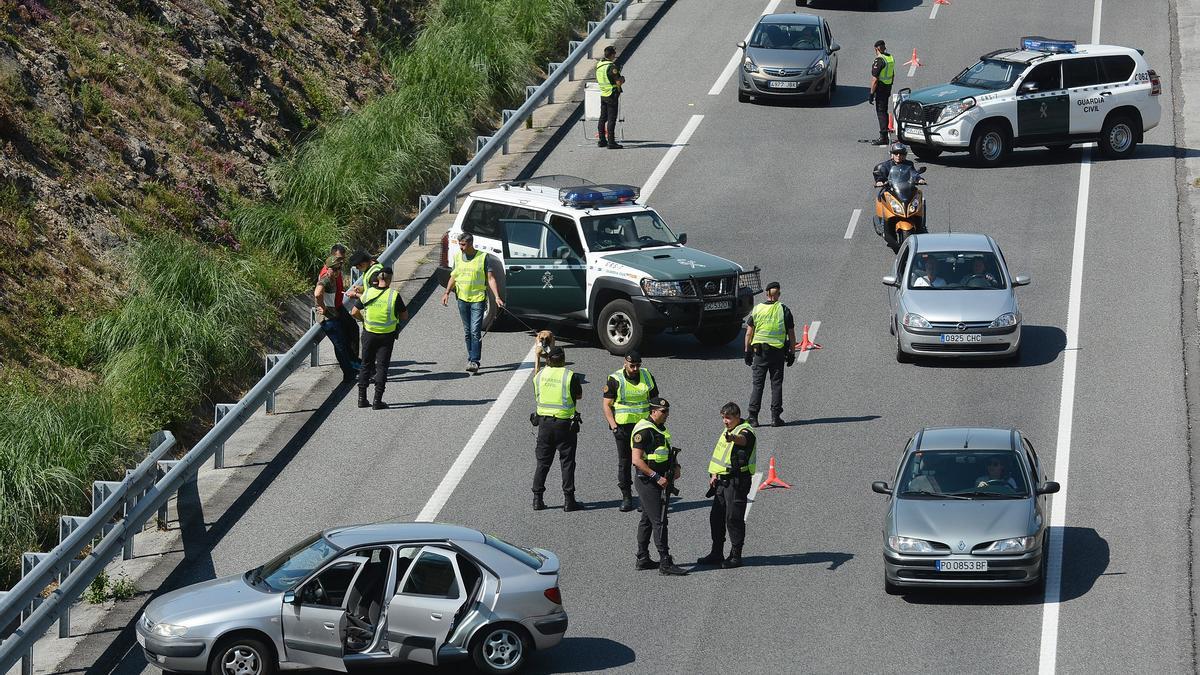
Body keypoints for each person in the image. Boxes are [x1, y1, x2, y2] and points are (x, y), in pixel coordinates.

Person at [630, 398, 688, 576]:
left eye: (667, 411)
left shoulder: (659, 428)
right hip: (648, 481)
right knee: (660, 521)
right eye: (663, 411)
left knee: (647, 519)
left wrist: (676, 465)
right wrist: (656, 477)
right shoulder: (644, 431)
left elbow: (665, 450)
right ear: (653, 411)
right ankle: (665, 561)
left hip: (658, 478)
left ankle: (642, 558)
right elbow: (636, 460)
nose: (667, 414)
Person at [698, 403, 756, 569]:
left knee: (733, 518)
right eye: (723, 417)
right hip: (721, 482)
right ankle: (717, 552)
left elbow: (743, 441)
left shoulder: (745, 430)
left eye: (728, 418)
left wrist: (733, 438)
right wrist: (714, 474)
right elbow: (720, 455)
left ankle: (736, 555)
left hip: (737, 481)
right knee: (716, 518)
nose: (725, 421)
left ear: (737, 416)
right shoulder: (727, 429)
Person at [602, 351, 659, 512]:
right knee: (625, 462)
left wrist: (655, 424)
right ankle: (626, 497)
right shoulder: (615, 379)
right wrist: (613, 426)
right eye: (632, 365)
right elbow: (606, 405)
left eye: (637, 365)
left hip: (643, 427)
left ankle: (643, 498)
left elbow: (655, 401)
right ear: (625, 363)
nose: (635, 369)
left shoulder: (647, 375)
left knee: (644, 462)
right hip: (623, 428)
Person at [532, 346, 584, 512]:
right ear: (563, 359)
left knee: (543, 463)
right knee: (567, 462)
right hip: (564, 424)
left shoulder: (539, 376)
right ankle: (569, 501)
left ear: (548, 360)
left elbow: (537, 395)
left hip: (544, 424)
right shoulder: (569, 376)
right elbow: (578, 395)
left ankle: (537, 500)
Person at [442, 233, 504, 373]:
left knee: (475, 331)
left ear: (471, 244)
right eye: (459, 244)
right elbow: (454, 276)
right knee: (467, 332)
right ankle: (471, 357)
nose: (461, 247)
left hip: (478, 299)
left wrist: (497, 297)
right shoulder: (458, 256)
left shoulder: (483, 257)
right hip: (462, 299)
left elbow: (491, 279)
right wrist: (446, 292)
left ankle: (475, 361)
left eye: (463, 245)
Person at [349, 267, 408, 409]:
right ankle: (377, 401)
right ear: (389, 279)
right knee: (382, 367)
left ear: (378, 279)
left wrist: (364, 320)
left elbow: (354, 311)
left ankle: (361, 399)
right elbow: (404, 315)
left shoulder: (368, 292)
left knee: (365, 365)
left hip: (369, 334)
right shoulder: (393, 295)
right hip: (386, 336)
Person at [744, 281, 797, 427]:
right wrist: (792, 353)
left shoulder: (757, 309)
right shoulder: (784, 310)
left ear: (767, 294)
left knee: (757, 385)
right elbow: (791, 335)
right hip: (777, 353)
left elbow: (749, 333)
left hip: (759, 353)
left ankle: (753, 417)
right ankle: (775, 417)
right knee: (776, 385)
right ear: (778, 294)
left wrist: (747, 351)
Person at [313, 244, 360, 382]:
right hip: (330, 314)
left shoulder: (336, 270)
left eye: (342, 261)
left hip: (337, 307)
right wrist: (322, 307)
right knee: (340, 344)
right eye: (339, 260)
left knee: (352, 330)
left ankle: (353, 362)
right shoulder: (326, 275)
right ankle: (350, 370)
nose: (340, 265)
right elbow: (318, 293)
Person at [596, 45, 625, 150]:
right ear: (612, 55)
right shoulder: (612, 67)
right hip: (611, 94)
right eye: (614, 54)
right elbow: (618, 82)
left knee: (602, 118)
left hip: (603, 94)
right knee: (611, 119)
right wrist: (622, 79)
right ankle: (611, 142)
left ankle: (602, 140)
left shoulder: (599, 65)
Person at [868, 39, 895, 146]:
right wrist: (890, 85)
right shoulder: (890, 58)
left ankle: (883, 136)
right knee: (884, 110)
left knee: (881, 112)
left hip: (881, 88)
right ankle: (885, 134)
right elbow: (893, 74)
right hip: (888, 86)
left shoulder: (879, 60)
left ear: (877, 48)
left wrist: (871, 94)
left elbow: (875, 79)